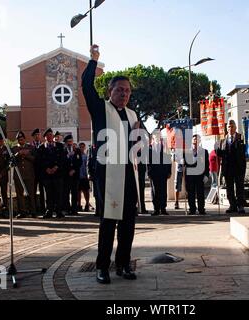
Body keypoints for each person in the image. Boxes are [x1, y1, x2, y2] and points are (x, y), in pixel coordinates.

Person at [82, 44, 143, 284]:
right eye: (120, 90)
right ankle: (102, 267)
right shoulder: (100, 109)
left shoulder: (132, 115)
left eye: (127, 91)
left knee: (128, 222)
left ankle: (123, 264)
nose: (124, 94)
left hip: (129, 173)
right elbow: (86, 86)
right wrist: (93, 61)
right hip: (107, 172)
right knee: (109, 221)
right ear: (110, 90)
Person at [216, 120, 247, 214]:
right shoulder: (223, 140)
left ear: (236, 127)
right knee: (229, 188)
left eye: (232, 126)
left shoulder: (241, 137)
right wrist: (217, 150)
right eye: (229, 127)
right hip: (228, 168)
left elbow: (244, 151)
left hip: (238, 167)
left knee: (239, 188)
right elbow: (221, 153)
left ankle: (240, 206)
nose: (230, 128)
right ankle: (232, 205)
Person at [37, 128, 66, 219]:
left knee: (58, 193)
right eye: (47, 135)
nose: (50, 136)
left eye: (51, 135)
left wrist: (56, 167)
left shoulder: (60, 146)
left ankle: (58, 211)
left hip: (57, 174)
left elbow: (63, 159)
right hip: (47, 175)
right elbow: (39, 161)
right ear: (45, 137)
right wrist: (46, 168)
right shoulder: (41, 147)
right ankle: (49, 211)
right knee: (48, 194)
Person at [12, 131, 37, 218]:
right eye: (19, 139)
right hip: (18, 175)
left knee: (31, 193)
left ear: (25, 139)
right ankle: (22, 212)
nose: (20, 141)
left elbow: (35, 159)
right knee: (19, 194)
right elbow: (11, 160)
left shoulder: (31, 148)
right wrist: (18, 154)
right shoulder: (14, 148)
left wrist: (26, 155)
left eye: (22, 139)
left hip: (29, 174)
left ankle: (33, 211)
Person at [184, 135, 209, 215]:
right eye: (194, 139)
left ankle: (201, 209)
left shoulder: (204, 151)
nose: (195, 141)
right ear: (191, 141)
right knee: (190, 193)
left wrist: (206, 175)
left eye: (197, 139)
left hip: (200, 175)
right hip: (190, 176)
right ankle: (192, 209)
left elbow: (206, 164)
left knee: (200, 193)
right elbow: (184, 163)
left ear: (200, 141)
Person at [148, 132, 172, 216]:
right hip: (153, 173)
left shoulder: (165, 147)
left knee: (163, 190)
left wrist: (169, 171)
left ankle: (163, 208)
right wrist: (148, 172)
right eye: (155, 135)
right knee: (155, 191)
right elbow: (148, 162)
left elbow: (169, 159)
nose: (157, 136)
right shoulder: (149, 148)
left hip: (163, 172)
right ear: (153, 137)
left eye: (158, 135)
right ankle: (156, 209)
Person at [63, 135, 82, 215]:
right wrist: (68, 171)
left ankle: (74, 209)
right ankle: (67, 209)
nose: (70, 143)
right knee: (66, 193)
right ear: (66, 142)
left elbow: (79, 162)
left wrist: (74, 170)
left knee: (75, 193)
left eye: (71, 141)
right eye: (69, 142)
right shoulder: (63, 150)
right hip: (66, 175)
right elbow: (62, 162)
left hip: (75, 175)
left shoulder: (77, 150)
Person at [32, 128, 46, 215]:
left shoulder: (43, 146)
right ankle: (34, 208)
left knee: (42, 191)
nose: (37, 136)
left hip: (41, 172)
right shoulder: (30, 146)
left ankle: (43, 208)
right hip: (33, 172)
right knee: (32, 191)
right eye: (35, 135)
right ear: (33, 137)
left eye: (38, 135)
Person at [77, 142, 91, 212]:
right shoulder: (76, 156)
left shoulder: (86, 156)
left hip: (85, 176)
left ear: (85, 148)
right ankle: (79, 205)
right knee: (78, 191)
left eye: (83, 147)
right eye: (80, 147)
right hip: (78, 176)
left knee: (86, 191)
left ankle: (87, 204)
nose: (82, 148)